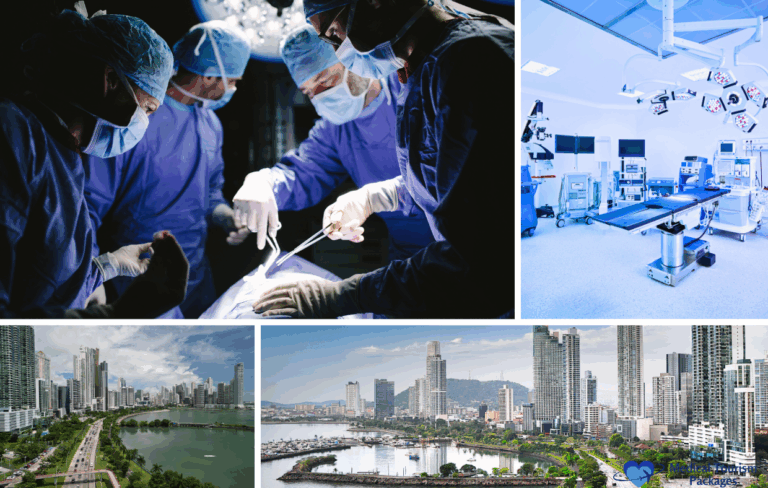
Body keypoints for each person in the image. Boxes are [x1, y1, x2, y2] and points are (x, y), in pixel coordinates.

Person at [252, 0, 514, 318]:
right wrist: (376, 197)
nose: (339, 49)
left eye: (335, 33)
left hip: (471, 284)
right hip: (426, 271)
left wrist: (342, 295)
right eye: (311, 91)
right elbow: (447, 177)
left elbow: (480, 255)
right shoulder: (416, 74)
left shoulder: (473, 59)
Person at [0, 7, 188, 318]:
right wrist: (119, 314)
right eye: (149, 109)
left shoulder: (65, 154)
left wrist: (105, 267)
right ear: (110, 80)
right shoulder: (14, 136)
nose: (147, 123)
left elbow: (44, 274)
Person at [84, 20, 252, 318]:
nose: (234, 89)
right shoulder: (135, 121)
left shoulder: (210, 124)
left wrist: (224, 216)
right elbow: (89, 203)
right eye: (234, 81)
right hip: (140, 269)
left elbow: (210, 191)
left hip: (197, 273)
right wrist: (91, 274)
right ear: (212, 75)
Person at [232, 23, 434, 263]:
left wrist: (374, 198)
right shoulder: (336, 129)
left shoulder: (418, 91)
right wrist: (264, 183)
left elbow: (451, 172)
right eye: (309, 92)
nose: (320, 96)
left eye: (325, 80)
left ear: (355, 59)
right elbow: (302, 173)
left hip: (469, 239)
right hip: (409, 255)